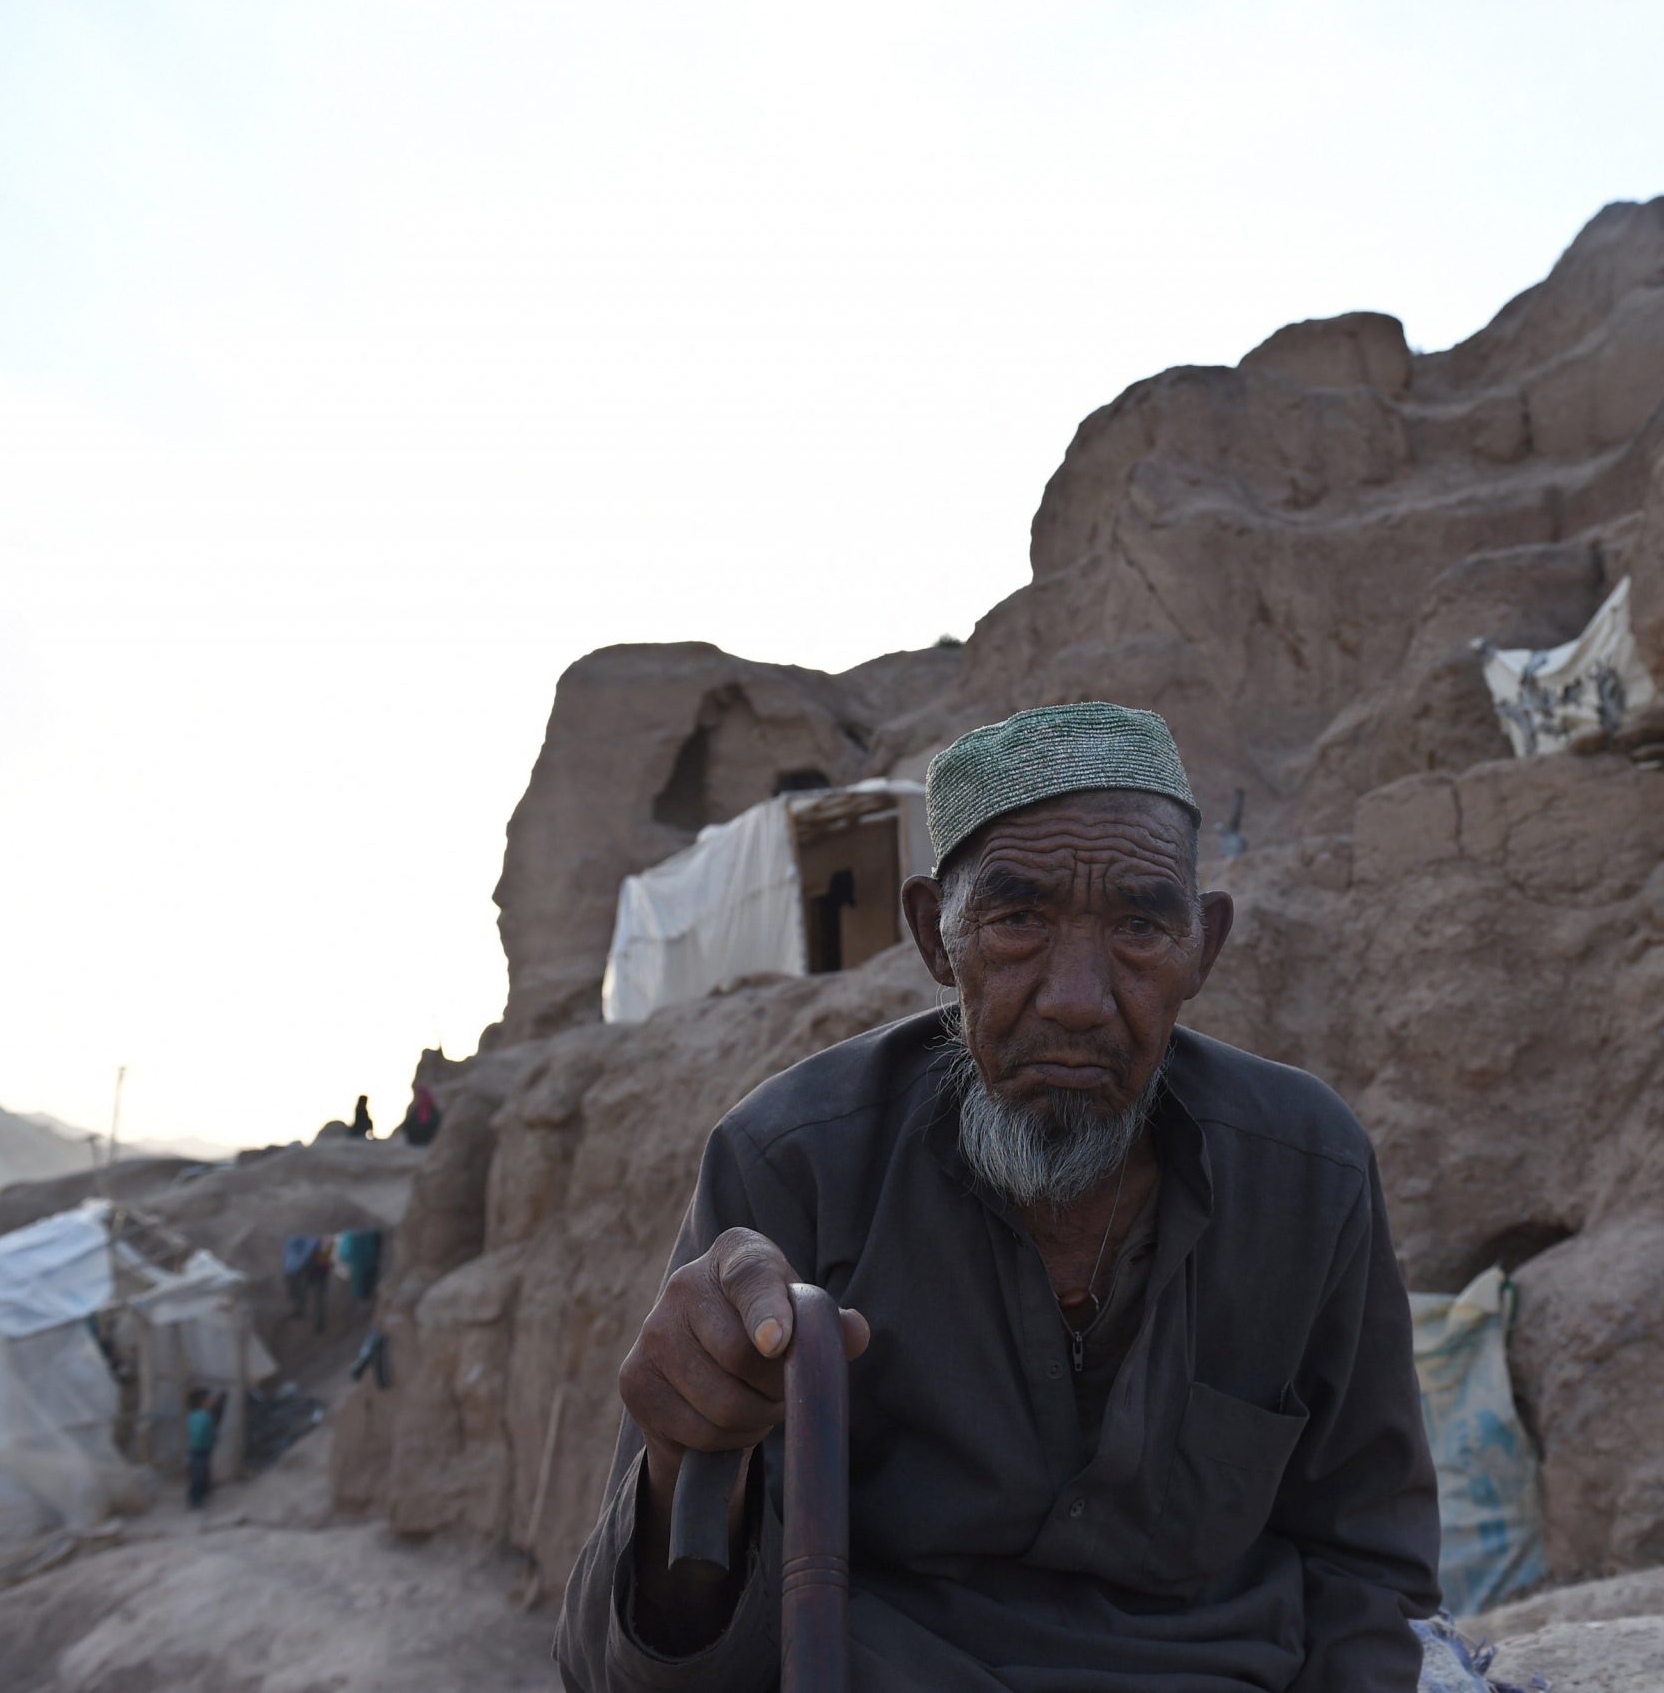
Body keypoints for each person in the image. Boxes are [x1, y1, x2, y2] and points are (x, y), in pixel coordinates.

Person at [556, 702, 1441, 1692]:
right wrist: (686, 1463)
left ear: (1204, 948)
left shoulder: (1307, 1170)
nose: (1075, 995)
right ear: (936, 938)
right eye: (1018, 920)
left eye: (1141, 927)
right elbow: (621, 1668)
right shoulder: (791, 1164)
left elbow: (1369, 1559)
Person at [185, 1388, 222, 1509]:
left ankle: (201, 1495)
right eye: (209, 1399)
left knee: (202, 1472)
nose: (212, 1402)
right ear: (203, 1401)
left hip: (201, 1449)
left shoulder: (198, 1416)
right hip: (199, 1449)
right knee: (198, 1474)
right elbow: (200, 1434)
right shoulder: (201, 1416)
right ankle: (194, 1500)